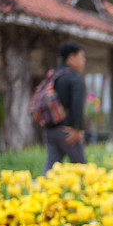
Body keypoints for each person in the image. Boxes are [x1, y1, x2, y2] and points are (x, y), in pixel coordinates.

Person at [42, 40, 87, 175]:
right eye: (81, 57)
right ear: (71, 58)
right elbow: (77, 105)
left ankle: (41, 193)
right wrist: (78, 129)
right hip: (68, 132)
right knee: (82, 170)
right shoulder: (74, 78)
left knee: (50, 171)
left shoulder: (54, 76)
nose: (84, 61)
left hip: (50, 130)